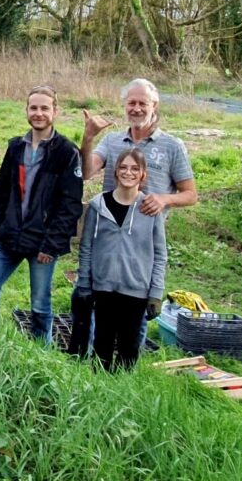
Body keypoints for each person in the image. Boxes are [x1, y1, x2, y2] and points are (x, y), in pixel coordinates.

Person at [0, 86, 84, 343]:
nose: (38, 113)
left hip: (42, 243)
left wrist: (52, 245)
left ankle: (41, 357)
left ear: (55, 112)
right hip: (9, 237)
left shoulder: (66, 152)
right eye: (34, 108)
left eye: (44, 108)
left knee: (40, 306)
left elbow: (70, 206)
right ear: (26, 110)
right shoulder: (16, 146)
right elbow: (1, 195)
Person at [75, 149, 167, 370]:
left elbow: (160, 254)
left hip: (136, 289)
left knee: (129, 348)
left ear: (143, 175)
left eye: (135, 169)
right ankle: (100, 391)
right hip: (104, 288)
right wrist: (84, 285)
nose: (128, 172)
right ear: (115, 172)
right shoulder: (98, 206)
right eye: (124, 167)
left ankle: (124, 394)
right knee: (101, 345)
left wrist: (155, 293)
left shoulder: (150, 209)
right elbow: (86, 247)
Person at [80, 78, 197, 215]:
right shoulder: (111, 141)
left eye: (143, 103)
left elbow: (191, 195)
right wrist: (88, 138)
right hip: (110, 227)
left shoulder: (172, 146)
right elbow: (85, 173)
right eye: (132, 103)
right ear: (125, 105)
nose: (136, 109)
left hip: (147, 229)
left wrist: (164, 199)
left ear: (154, 105)